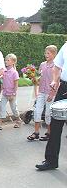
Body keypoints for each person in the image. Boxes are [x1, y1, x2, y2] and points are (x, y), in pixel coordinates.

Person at [35, 41, 67, 171]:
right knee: (55, 125)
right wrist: (55, 80)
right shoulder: (66, 46)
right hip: (64, 87)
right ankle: (51, 160)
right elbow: (57, 67)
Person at [27, 45, 58, 141]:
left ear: (54, 54)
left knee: (48, 113)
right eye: (45, 53)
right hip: (41, 92)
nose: (46, 55)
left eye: (48, 53)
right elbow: (40, 79)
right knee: (37, 111)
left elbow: (57, 81)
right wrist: (33, 78)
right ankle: (36, 133)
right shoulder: (42, 65)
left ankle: (49, 133)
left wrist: (52, 94)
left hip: (50, 93)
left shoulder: (56, 66)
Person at [0, 54, 22, 129]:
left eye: (8, 60)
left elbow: (16, 84)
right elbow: (2, 82)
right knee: (2, 108)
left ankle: (18, 120)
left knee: (14, 109)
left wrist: (13, 93)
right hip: (5, 94)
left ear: (13, 62)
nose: (6, 61)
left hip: (12, 94)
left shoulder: (14, 72)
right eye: (5, 60)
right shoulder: (4, 71)